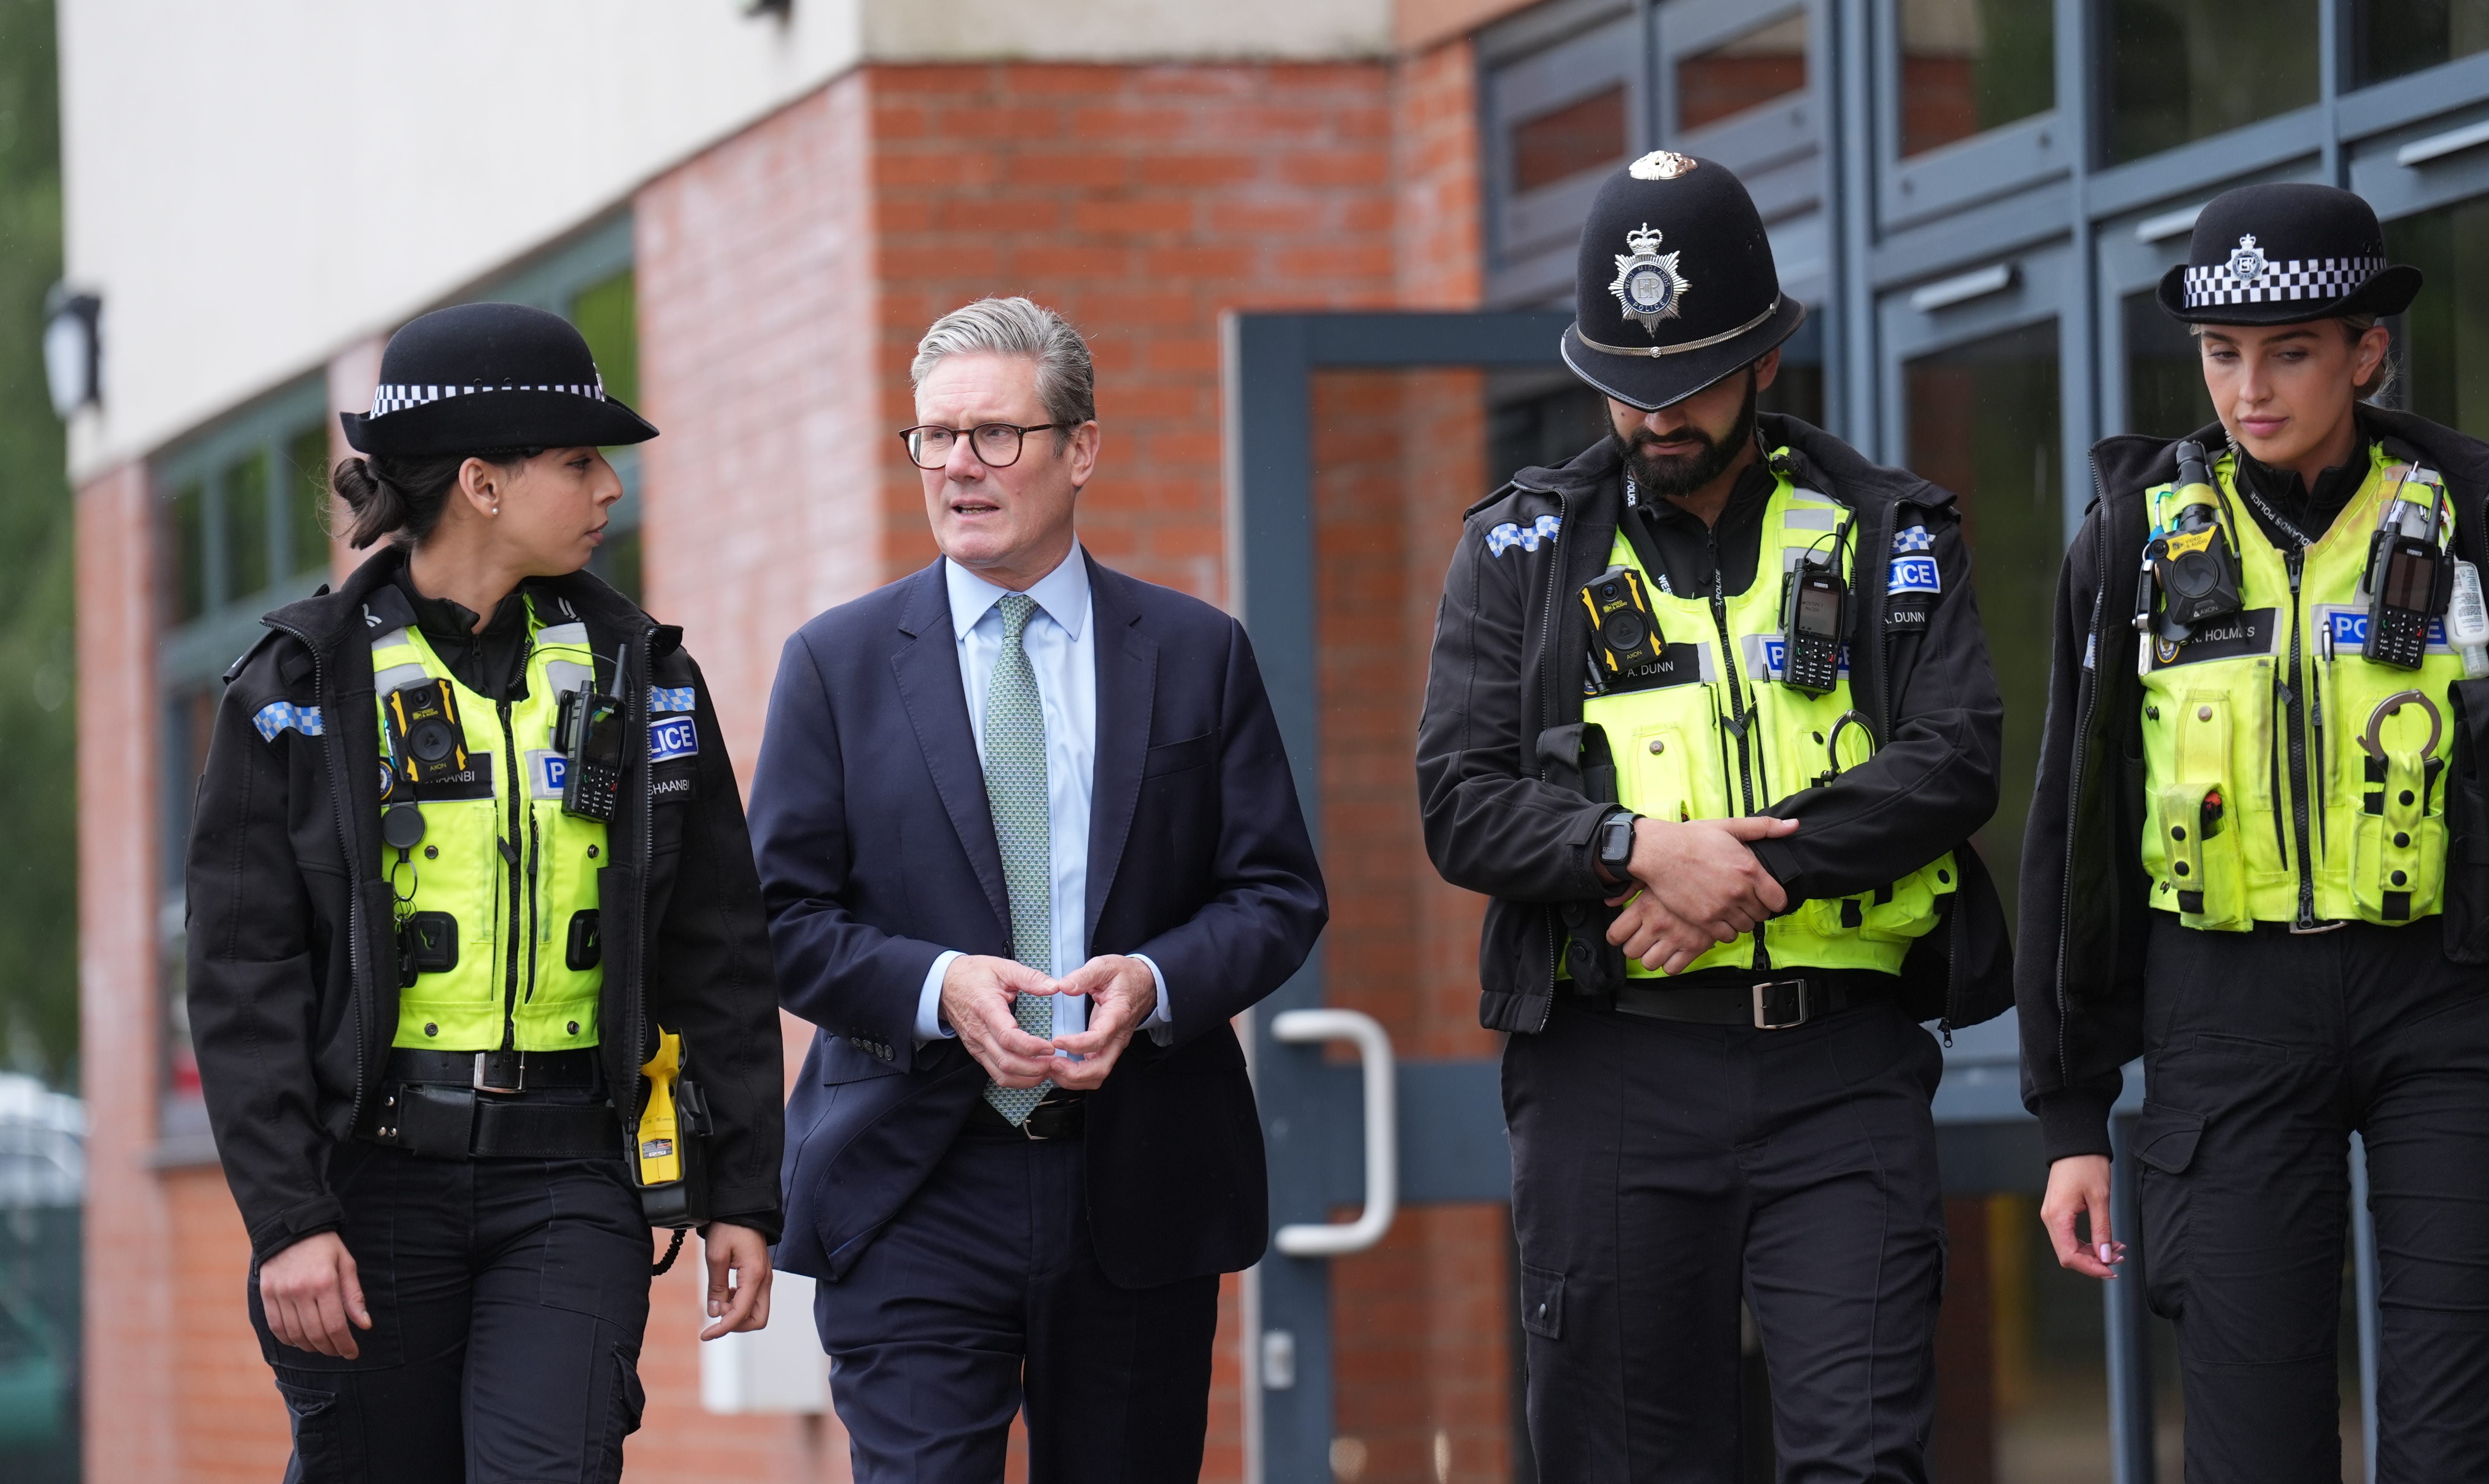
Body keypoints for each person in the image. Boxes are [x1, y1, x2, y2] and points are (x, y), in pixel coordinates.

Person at [1418, 152, 2013, 1482]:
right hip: (1610, 1077)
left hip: (1840, 1071)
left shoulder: (1888, 528)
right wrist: (1641, 851)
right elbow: (1459, 804)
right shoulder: (1520, 553)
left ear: (1764, 365)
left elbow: (1954, 756)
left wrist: (1750, 878)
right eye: (1628, 389)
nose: (1656, 418)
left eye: (1688, 381)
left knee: (1862, 1458)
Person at [185, 303, 786, 1481]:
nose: (610, 488)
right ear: (482, 483)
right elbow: (241, 975)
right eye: (578, 461)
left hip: (572, 1181)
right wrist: (289, 1220)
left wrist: (745, 1195)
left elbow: (718, 948)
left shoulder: (648, 679)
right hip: (367, 1190)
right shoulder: (294, 689)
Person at [753, 295, 1326, 1483]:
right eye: (933, 438)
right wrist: (940, 986)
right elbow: (778, 920)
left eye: (995, 436)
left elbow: (1275, 894)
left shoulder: (1194, 651)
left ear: (1082, 449)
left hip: (1139, 1172)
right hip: (913, 1175)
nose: (958, 467)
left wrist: (1158, 981)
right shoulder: (837, 664)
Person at [2022, 183, 2489, 1481]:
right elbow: (2078, 827)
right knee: (2253, 1445)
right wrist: (2071, 1114)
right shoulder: (2129, 545)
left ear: (2366, 351)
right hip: (2223, 1015)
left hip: (2445, 1009)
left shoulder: (2470, 514)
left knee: (2458, 1436)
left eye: (2290, 351)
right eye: (2225, 355)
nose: (2251, 391)